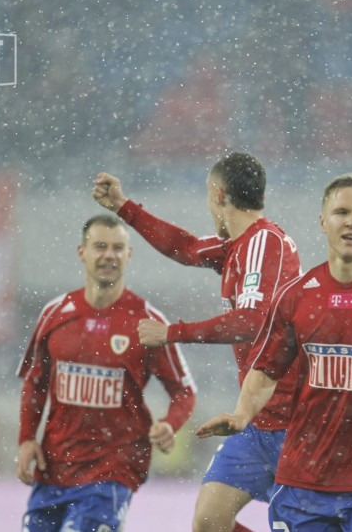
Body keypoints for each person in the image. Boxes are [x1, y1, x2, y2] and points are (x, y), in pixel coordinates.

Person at [197, 173, 352, 531]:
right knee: (207, 521)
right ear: (323, 221)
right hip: (303, 478)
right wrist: (242, 414)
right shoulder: (296, 296)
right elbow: (266, 370)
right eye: (342, 212)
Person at [92, 152, 302, 532]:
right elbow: (185, 247)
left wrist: (172, 332)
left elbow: (252, 320)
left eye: (208, 196)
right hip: (257, 421)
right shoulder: (237, 246)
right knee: (209, 521)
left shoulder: (264, 242)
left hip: (295, 421)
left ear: (218, 195)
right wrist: (125, 208)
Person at [15, 214, 197, 532]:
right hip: (55, 466)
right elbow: (35, 382)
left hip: (114, 468)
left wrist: (171, 423)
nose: (109, 255)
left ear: (129, 255)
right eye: (100, 246)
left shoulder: (147, 321)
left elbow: (184, 390)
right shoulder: (55, 314)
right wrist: (27, 438)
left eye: (117, 248)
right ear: (82, 252)